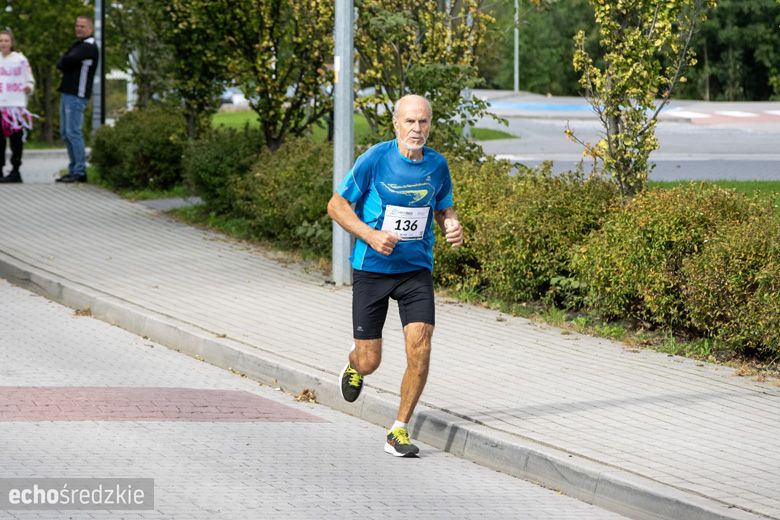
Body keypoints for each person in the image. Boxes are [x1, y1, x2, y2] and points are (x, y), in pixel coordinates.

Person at [327, 94, 464, 457]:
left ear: (430, 124)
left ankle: (398, 430)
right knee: (371, 361)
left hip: (415, 270)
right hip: (372, 269)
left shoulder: (437, 165)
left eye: (423, 122)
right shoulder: (375, 158)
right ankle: (354, 363)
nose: (417, 129)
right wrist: (369, 235)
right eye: (410, 122)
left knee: (421, 347)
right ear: (396, 124)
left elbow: (443, 206)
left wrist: (451, 224)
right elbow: (336, 205)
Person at [55, 15, 99, 183]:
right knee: (66, 133)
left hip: (77, 95)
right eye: (77, 26)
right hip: (66, 93)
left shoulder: (88, 47)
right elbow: (62, 61)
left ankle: (80, 171)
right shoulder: (77, 45)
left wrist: (65, 61)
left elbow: (67, 60)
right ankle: (73, 168)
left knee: (74, 132)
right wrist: (65, 61)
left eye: (82, 26)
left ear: (90, 29)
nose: (79, 28)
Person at [0, 30, 35, 184]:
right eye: (1, 40)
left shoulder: (20, 60)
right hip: (1, 105)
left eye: (6, 40)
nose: (3, 43)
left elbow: (29, 80)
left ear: (11, 43)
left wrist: (28, 87)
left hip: (15, 107)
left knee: (16, 139)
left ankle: (15, 170)